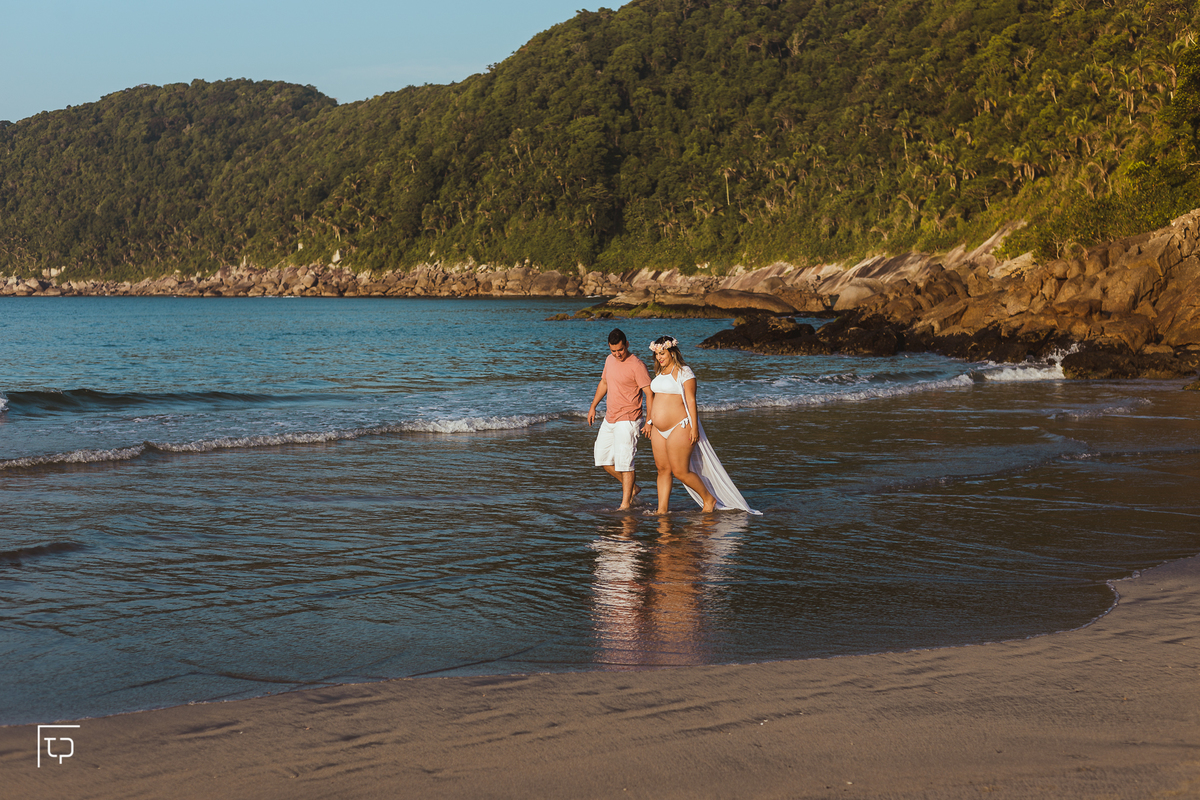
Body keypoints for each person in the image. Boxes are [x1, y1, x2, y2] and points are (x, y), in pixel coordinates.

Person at [646, 335, 760, 515]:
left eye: (663, 353)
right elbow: (655, 398)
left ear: (672, 352)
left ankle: (708, 499)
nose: (659, 357)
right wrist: (650, 421)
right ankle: (662, 510)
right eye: (657, 354)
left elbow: (691, 401)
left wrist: (694, 427)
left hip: (680, 426)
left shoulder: (684, 372)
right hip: (658, 430)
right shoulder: (660, 373)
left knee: (680, 471)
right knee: (662, 469)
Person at [587, 328, 654, 510]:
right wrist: (593, 406)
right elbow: (605, 383)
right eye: (613, 350)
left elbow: (649, 393)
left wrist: (649, 420)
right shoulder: (609, 360)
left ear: (627, 345)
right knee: (602, 458)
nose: (617, 354)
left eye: (620, 350)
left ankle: (625, 505)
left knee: (625, 463)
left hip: (629, 419)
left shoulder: (637, 365)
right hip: (610, 417)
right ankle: (632, 488)